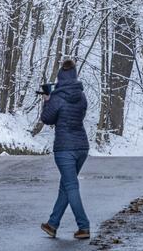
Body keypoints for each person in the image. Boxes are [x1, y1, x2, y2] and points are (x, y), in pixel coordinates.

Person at [40, 59, 91, 240]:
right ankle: (52, 224)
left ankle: (84, 226)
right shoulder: (82, 96)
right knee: (66, 187)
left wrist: (47, 100)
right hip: (82, 147)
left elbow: (47, 118)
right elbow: (81, 113)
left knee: (71, 186)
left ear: (60, 77)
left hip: (64, 148)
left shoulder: (58, 97)